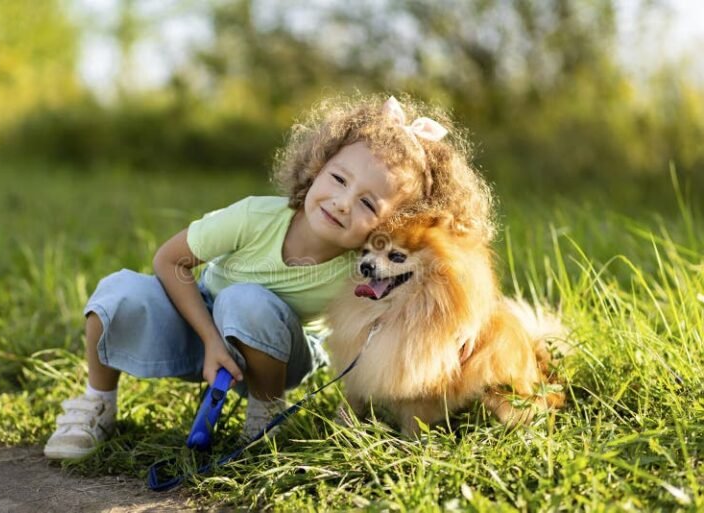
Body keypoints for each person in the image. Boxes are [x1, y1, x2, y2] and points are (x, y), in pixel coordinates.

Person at [43, 94, 495, 459]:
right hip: (202, 330)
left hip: (277, 360)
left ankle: (266, 417)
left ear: (390, 225)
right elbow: (169, 260)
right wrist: (211, 340)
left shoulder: (361, 265)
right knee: (117, 292)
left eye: (367, 204)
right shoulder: (254, 217)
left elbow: (442, 281)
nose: (342, 203)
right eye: (339, 180)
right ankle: (96, 403)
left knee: (248, 301)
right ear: (317, 167)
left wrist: (465, 331)